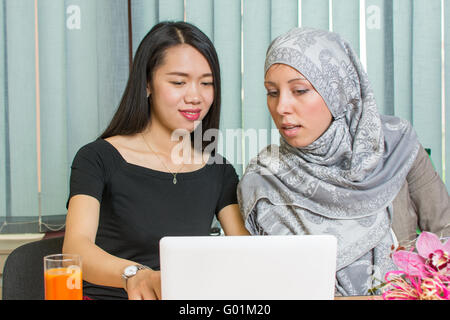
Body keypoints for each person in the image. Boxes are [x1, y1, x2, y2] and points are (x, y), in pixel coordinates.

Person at [237, 27, 450, 296]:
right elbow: (265, 283)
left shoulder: (395, 145)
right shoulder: (264, 178)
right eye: (272, 92)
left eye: (300, 90)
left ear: (337, 90)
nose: (281, 108)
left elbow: (445, 235)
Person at [63, 21, 249, 300]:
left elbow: (247, 252)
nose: (195, 96)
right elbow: (75, 248)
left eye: (206, 83)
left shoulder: (218, 170)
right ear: (147, 83)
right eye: (178, 82)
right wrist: (136, 275)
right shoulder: (98, 158)